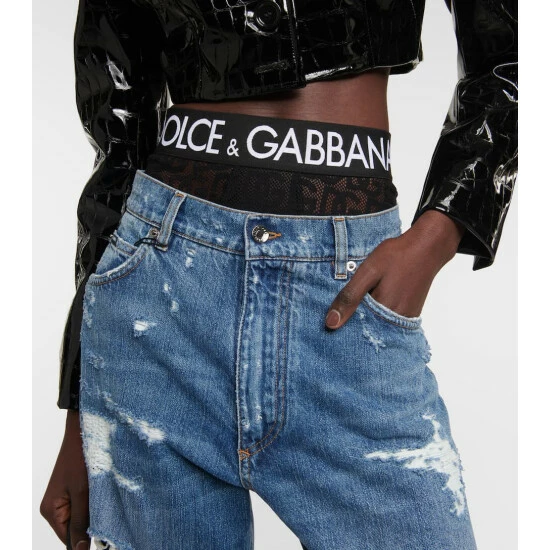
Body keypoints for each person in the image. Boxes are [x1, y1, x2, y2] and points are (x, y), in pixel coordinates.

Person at [40, 0, 517, 548]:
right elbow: (116, 129)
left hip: (345, 290)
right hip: (159, 301)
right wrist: (80, 410)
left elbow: (514, 54)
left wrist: (435, 237)